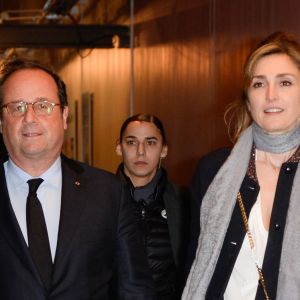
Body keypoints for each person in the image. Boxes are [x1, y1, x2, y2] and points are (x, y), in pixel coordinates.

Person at [0, 58, 156, 299]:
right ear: (1, 122)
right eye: (17, 107)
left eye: (43, 105)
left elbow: (134, 289)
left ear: (64, 115)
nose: (29, 117)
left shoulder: (108, 193)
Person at [183, 32, 300, 300]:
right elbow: (195, 263)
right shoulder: (213, 170)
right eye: (259, 84)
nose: (271, 95)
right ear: (248, 99)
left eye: (285, 82)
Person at [115, 113, 190, 300]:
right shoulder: (100, 200)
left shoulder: (185, 201)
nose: (141, 151)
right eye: (131, 142)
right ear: (119, 147)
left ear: (164, 150)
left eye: (150, 142)